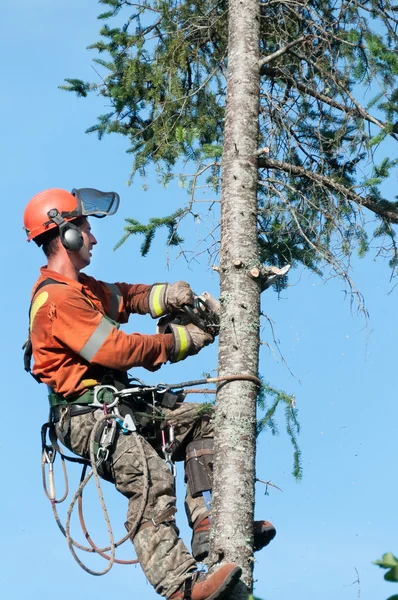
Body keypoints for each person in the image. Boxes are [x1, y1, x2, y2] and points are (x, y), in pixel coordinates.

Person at [23, 187, 275, 600]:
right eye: (86, 229)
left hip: (117, 404)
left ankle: (213, 523)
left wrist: (167, 295)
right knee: (147, 474)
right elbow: (116, 350)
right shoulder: (57, 299)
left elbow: (128, 296)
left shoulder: (82, 287)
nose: (94, 237)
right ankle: (179, 587)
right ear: (65, 235)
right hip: (86, 415)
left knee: (204, 421)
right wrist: (181, 341)